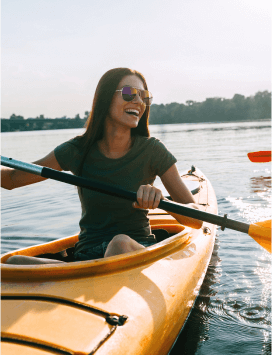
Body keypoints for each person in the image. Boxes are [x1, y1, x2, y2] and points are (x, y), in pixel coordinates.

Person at [1, 68, 203, 265]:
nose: (139, 102)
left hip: (134, 250)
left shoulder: (152, 150)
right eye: (129, 93)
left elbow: (196, 219)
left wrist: (158, 199)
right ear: (105, 99)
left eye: (144, 96)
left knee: (119, 243)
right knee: (13, 262)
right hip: (86, 256)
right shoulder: (77, 150)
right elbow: (11, 179)